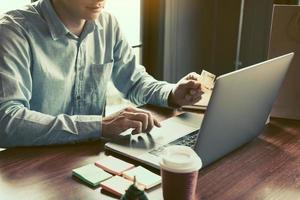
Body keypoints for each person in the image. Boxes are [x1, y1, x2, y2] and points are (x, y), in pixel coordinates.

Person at [0, 0, 203, 148]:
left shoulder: (108, 24)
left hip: (91, 154)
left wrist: (171, 93)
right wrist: (100, 126)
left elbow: (134, 81)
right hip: (32, 166)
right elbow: (6, 121)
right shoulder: (13, 31)